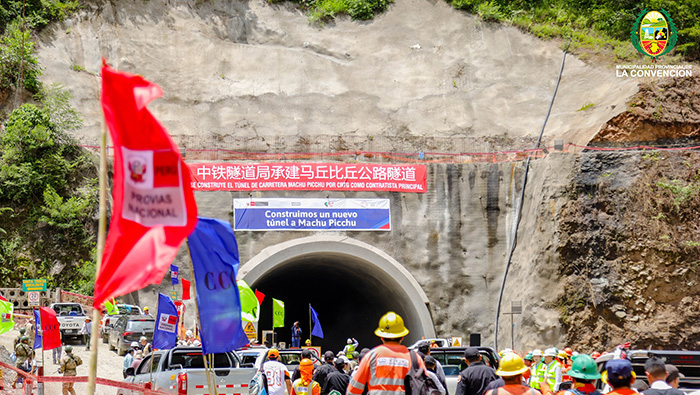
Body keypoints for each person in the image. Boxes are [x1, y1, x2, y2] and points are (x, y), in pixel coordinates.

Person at [347, 311, 426, 395]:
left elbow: (353, 390)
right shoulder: (414, 358)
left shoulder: (371, 356)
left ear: (381, 337)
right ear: (402, 337)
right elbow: (424, 387)